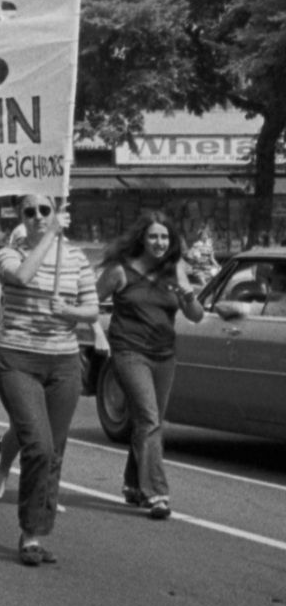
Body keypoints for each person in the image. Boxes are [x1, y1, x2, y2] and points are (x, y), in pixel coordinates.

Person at [0, 194, 98, 566]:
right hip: (18, 357)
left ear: (56, 212)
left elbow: (92, 308)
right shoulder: (9, 250)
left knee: (54, 450)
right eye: (29, 212)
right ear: (20, 217)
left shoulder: (75, 257)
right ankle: (30, 526)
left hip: (64, 361)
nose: (37, 217)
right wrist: (49, 236)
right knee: (37, 444)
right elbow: (20, 277)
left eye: (45, 210)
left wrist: (70, 310)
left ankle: (34, 534)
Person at [98, 211, 205, 520]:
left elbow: (196, 316)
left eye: (164, 237)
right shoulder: (120, 271)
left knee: (150, 421)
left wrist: (189, 296)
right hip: (129, 351)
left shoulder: (175, 269)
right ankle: (157, 493)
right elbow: (90, 302)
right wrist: (95, 334)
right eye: (153, 237)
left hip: (164, 355)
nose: (159, 243)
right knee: (149, 419)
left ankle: (133, 484)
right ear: (141, 240)